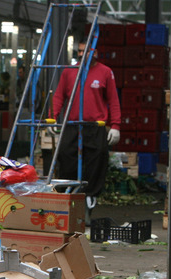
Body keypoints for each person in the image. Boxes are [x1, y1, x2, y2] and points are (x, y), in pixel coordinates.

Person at [51, 40, 121, 217]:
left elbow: (113, 100)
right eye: (80, 51)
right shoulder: (69, 72)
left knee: (97, 158)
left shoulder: (105, 73)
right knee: (66, 155)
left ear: (95, 52)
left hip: (95, 126)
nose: (81, 54)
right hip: (72, 125)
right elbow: (59, 96)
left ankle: (89, 197)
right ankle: (68, 194)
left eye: (86, 51)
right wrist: (52, 118)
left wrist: (115, 125)